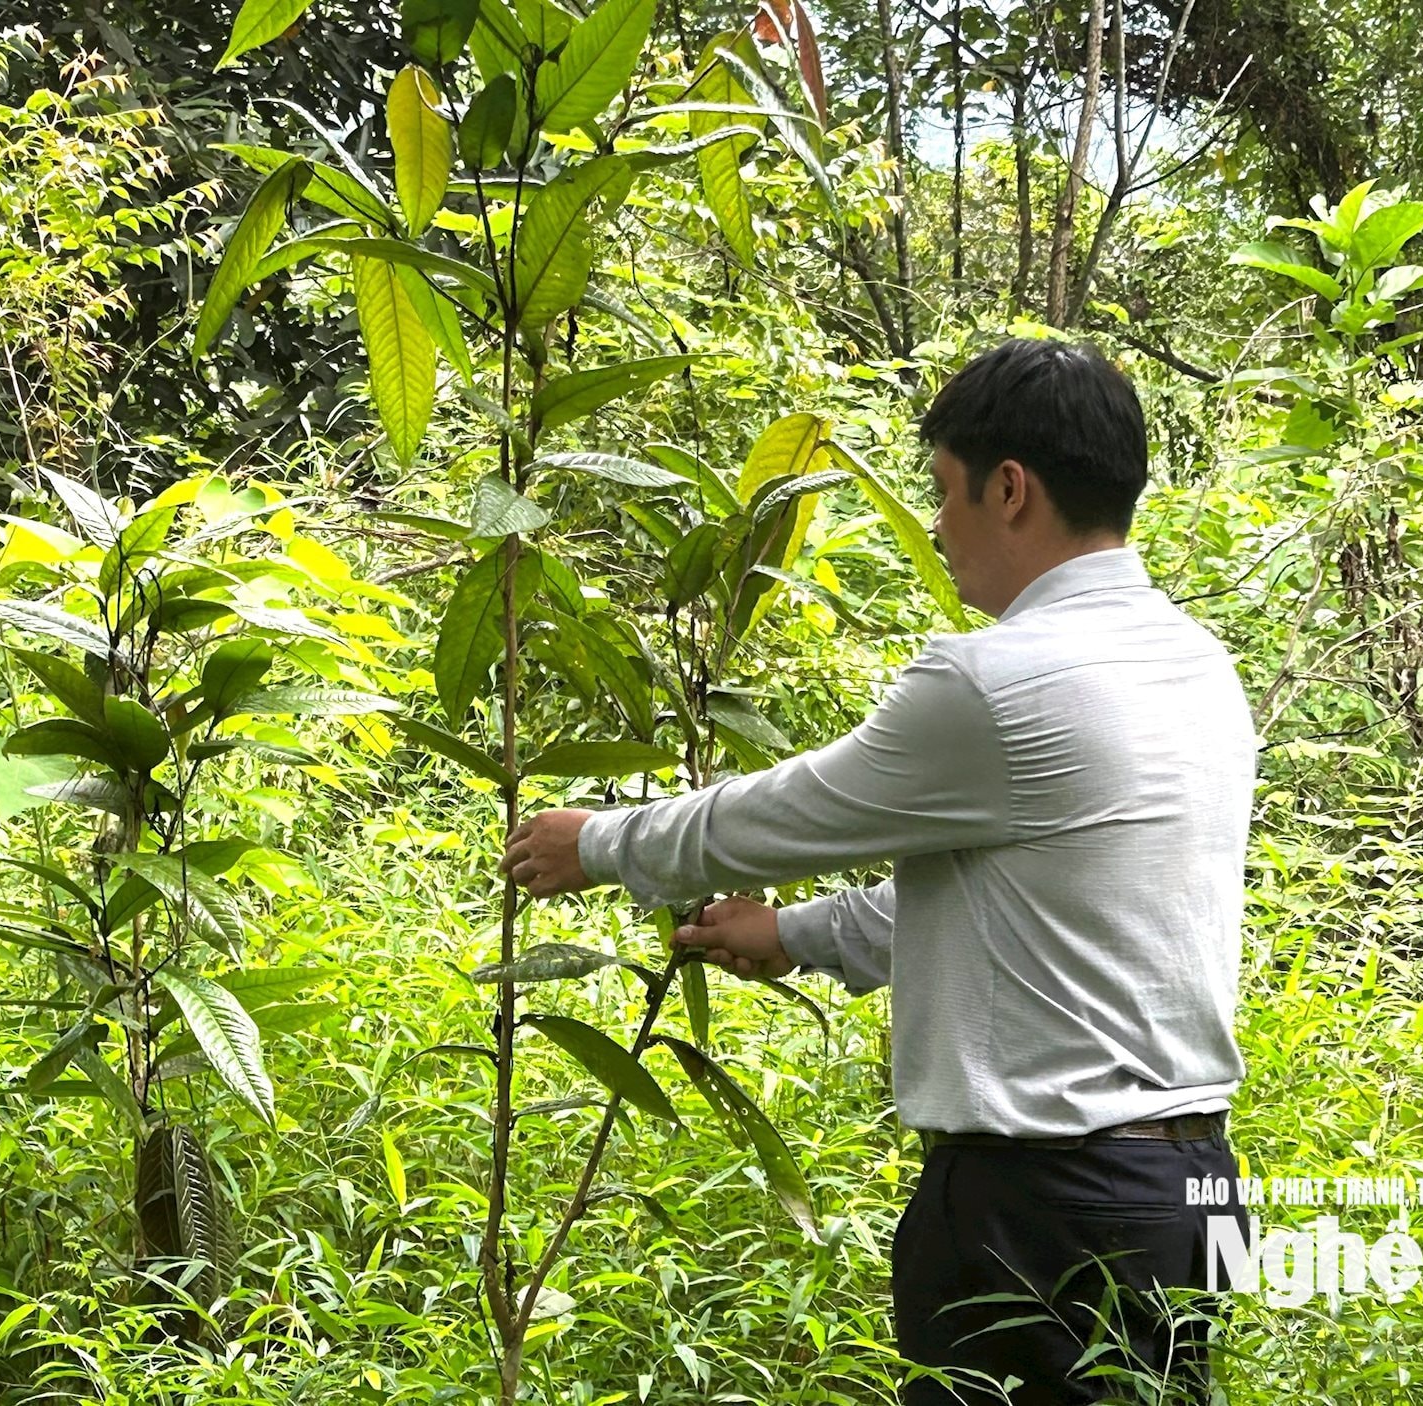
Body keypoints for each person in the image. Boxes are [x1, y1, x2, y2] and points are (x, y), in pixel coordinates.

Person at [501, 338, 1255, 1404]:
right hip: (1189, 1188)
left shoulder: (991, 680)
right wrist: (797, 936)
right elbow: (1036, 899)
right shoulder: (1197, 666)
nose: (937, 526)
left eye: (943, 492)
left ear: (1009, 488)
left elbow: (788, 814)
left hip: (1040, 1202)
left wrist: (601, 841)